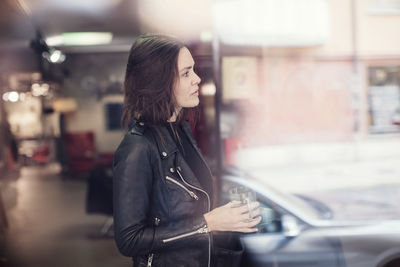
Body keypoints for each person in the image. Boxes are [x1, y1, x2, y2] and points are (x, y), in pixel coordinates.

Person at [113, 34, 262, 267]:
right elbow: (129, 240)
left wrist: (229, 218)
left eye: (193, 70)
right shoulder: (137, 148)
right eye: (186, 73)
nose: (197, 79)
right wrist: (208, 223)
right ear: (158, 81)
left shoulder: (181, 131)